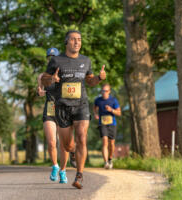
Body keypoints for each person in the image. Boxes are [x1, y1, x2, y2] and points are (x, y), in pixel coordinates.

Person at [41, 30, 106, 189]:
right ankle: (73, 152)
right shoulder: (56, 60)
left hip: (81, 105)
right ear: (66, 42)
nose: (77, 42)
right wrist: (52, 79)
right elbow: (44, 79)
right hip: (62, 107)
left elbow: (90, 81)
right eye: (73, 39)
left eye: (79, 39)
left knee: (82, 137)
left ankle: (79, 175)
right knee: (68, 145)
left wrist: (98, 78)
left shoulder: (86, 60)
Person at [37, 47, 76, 184]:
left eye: (54, 57)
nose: (51, 59)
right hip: (50, 110)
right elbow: (40, 91)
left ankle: (63, 170)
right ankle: (55, 166)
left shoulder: (65, 75)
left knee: (64, 145)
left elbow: (72, 92)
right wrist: (40, 92)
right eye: (49, 57)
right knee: (51, 142)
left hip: (64, 111)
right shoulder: (42, 76)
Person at [93, 83, 121, 169]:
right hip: (102, 124)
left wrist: (111, 110)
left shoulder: (113, 100)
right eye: (102, 91)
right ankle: (105, 163)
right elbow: (94, 108)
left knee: (111, 143)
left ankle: (110, 159)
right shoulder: (98, 100)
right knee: (104, 141)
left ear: (109, 91)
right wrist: (95, 114)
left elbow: (119, 113)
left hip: (112, 124)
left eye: (106, 91)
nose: (104, 92)